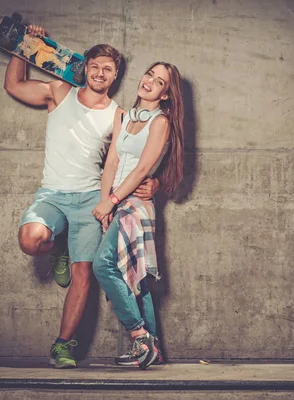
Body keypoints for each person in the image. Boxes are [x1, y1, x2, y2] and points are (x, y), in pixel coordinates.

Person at [4, 24, 158, 369]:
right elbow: (13, 85)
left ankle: (62, 346)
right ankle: (57, 246)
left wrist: (155, 184)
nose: (101, 72)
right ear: (85, 68)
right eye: (95, 66)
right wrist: (24, 47)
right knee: (31, 239)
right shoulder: (60, 92)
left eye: (108, 68)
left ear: (115, 75)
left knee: (83, 273)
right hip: (53, 195)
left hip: (90, 200)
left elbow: (133, 157)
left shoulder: (118, 115)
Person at [92, 62, 184, 369]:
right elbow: (112, 164)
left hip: (136, 205)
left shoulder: (161, 121)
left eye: (159, 82)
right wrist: (106, 203)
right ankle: (152, 351)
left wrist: (115, 199)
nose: (149, 82)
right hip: (117, 203)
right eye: (149, 74)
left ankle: (139, 335)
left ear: (166, 94)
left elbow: (143, 168)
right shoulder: (123, 115)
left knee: (103, 265)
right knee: (135, 277)